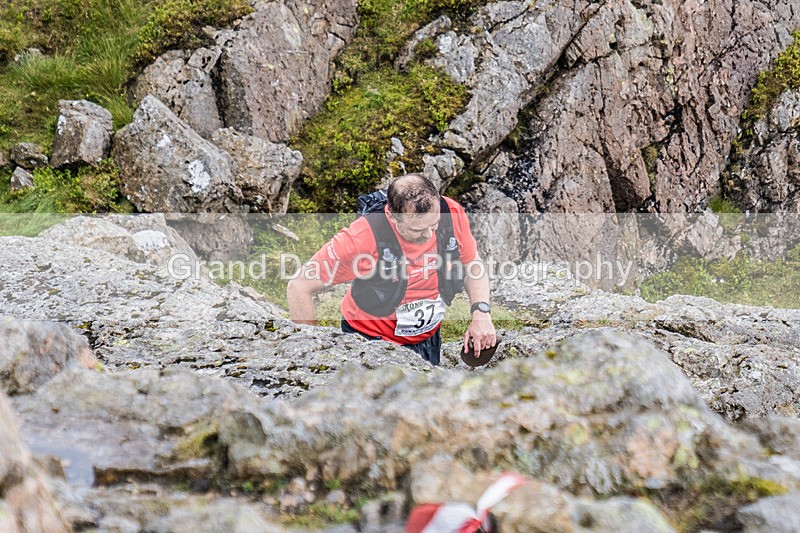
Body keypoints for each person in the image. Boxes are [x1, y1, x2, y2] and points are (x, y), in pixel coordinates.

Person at [287, 173, 496, 365]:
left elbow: (472, 265)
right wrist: (311, 349)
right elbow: (299, 286)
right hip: (369, 342)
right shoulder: (361, 238)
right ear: (391, 216)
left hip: (429, 339)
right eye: (417, 229)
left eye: (433, 225)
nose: (429, 235)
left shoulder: (450, 214)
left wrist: (481, 314)